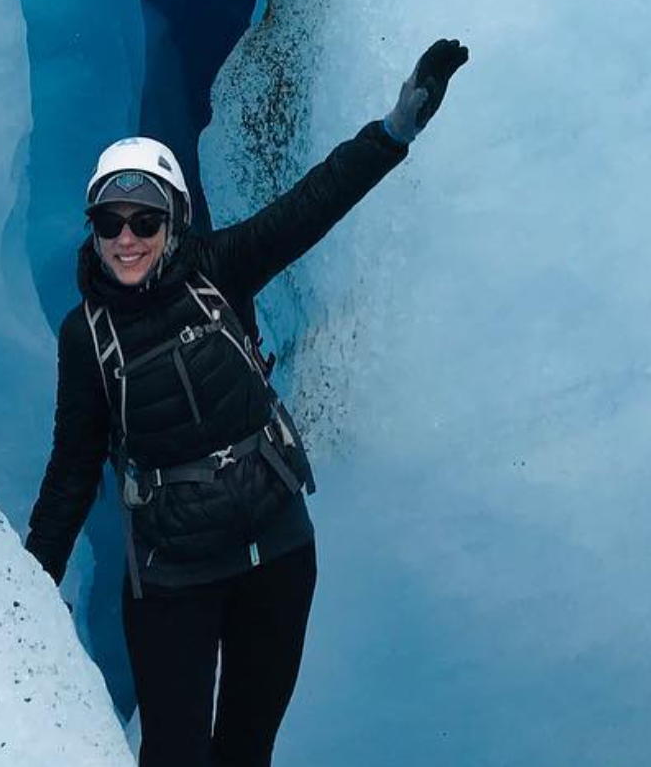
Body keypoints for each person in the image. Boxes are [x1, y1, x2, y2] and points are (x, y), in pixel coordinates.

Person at [24, 39, 469, 766]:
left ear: (174, 220)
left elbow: (309, 207)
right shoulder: (88, 336)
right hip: (172, 576)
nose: (127, 239)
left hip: (276, 552)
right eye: (110, 223)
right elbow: (72, 469)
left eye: (144, 219)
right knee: (174, 757)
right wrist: (28, 581)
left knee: (246, 750)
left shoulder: (218, 270)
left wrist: (394, 132)